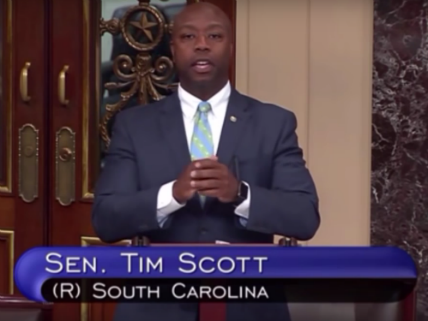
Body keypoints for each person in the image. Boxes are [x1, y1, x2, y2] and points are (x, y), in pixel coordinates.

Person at [92, 2, 320, 321]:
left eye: (214, 35)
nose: (201, 44)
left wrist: (240, 194)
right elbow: (106, 219)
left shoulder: (273, 123)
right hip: (155, 307)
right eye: (188, 36)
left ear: (230, 46)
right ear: (172, 49)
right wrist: (171, 195)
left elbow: (304, 217)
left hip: (248, 306)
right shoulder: (134, 126)